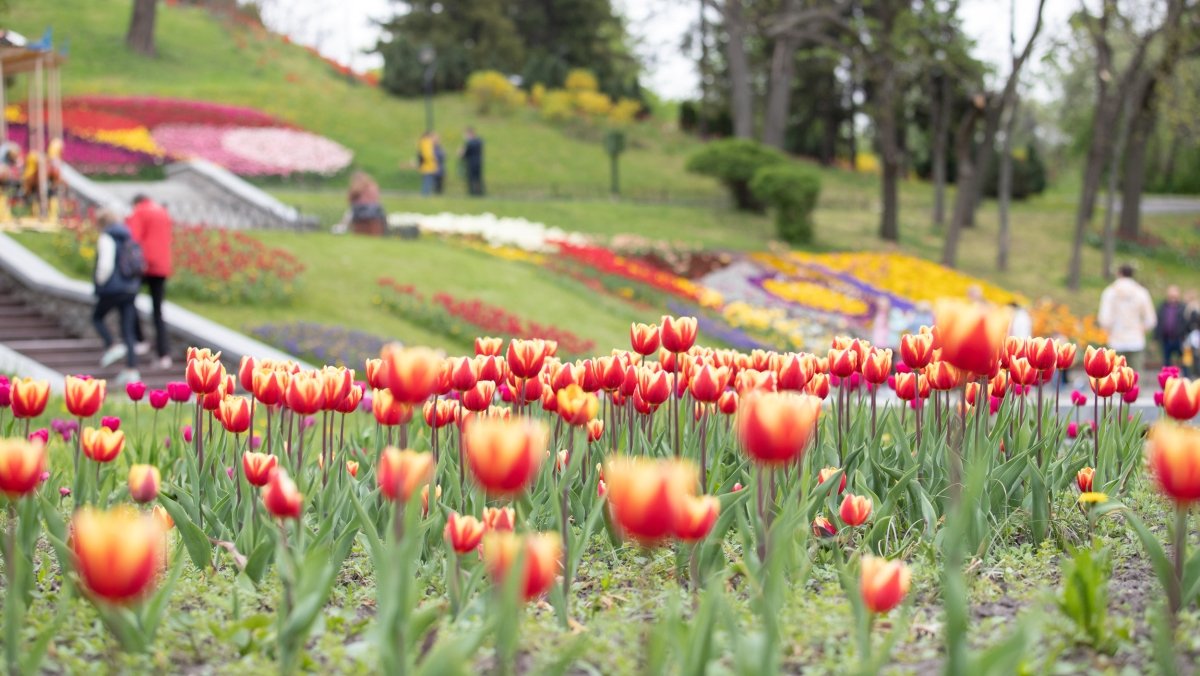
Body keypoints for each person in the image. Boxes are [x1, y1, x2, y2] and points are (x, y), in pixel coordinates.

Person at [93, 209, 142, 385]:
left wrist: (99, 282)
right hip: (130, 288)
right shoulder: (127, 236)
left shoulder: (107, 237)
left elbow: (105, 265)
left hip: (112, 288)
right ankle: (132, 369)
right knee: (128, 330)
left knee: (97, 317)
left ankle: (111, 344)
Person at [127, 194, 174, 369]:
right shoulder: (162, 212)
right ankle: (164, 354)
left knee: (129, 300)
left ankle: (140, 339)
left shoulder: (139, 212)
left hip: (144, 264)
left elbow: (133, 238)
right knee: (158, 311)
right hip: (162, 265)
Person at [1097, 264, 1156, 371]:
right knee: (1134, 378)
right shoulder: (1141, 292)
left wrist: (1109, 329)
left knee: (1115, 377)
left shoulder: (1110, 292)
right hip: (1136, 339)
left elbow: (1104, 319)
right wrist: (1141, 329)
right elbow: (1151, 320)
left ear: (1119, 273)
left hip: (1116, 339)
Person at [1156, 285, 1187, 370]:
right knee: (1166, 361)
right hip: (1166, 339)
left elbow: (1186, 323)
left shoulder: (1183, 307)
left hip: (1180, 339)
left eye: (1174, 293)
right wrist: (1156, 338)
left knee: (1184, 361)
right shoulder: (1162, 307)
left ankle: (1186, 380)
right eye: (1171, 293)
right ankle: (1167, 380)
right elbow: (1158, 322)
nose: (1173, 295)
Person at [347, 171, 385, 235]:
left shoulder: (356, 187)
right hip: (374, 211)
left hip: (360, 212)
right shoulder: (372, 185)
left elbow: (350, 199)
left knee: (360, 230)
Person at [460, 127, 485, 196]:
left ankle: (473, 192)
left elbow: (465, 154)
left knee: (471, 178)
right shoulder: (479, 141)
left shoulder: (470, 143)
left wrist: (461, 152)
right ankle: (480, 192)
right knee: (478, 178)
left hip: (471, 163)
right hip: (478, 162)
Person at [416, 132, 438, 196]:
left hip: (426, 165)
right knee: (427, 180)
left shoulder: (422, 143)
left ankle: (425, 193)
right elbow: (428, 155)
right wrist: (434, 159)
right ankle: (425, 194)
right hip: (428, 165)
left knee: (427, 180)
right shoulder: (426, 143)